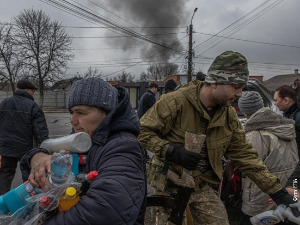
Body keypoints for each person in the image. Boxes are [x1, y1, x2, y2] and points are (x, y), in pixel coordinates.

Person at [138, 50, 298, 225]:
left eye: (242, 88)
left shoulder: (228, 116)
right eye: (236, 87)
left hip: (201, 187)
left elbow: (246, 156)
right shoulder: (175, 102)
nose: (239, 94)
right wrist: (170, 151)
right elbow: (141, 132)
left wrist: (278, 192)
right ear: (214, 82)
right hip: (168, 186)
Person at [20, 78, 146, 224]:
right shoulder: (87, 139)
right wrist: (36, 156)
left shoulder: (124, 147)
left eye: (81, 112)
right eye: (72, 112)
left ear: (106, 113)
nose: (73, 120)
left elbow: (108, 211)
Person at [238, 91, 298, 225]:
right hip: (287, 186)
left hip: (263, 191)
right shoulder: (285, 125)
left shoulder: (255, 133)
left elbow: (251, 164)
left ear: (246, 112)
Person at [0, 79, 49, 195]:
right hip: (26, 149)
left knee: (4, 175)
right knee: (29, 178)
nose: (34, 93)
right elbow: (40, 130)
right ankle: (30, 202)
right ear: (27, 90)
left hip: (5, 148)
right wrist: (45, 148)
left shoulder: (3, 103)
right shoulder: (33, 106)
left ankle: (1, 204)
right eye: (33, 91)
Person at [274, 84, 300, 155]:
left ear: (286, 100)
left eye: (276, 100)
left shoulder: (297, 117)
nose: (274, 103)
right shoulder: (290, 115)